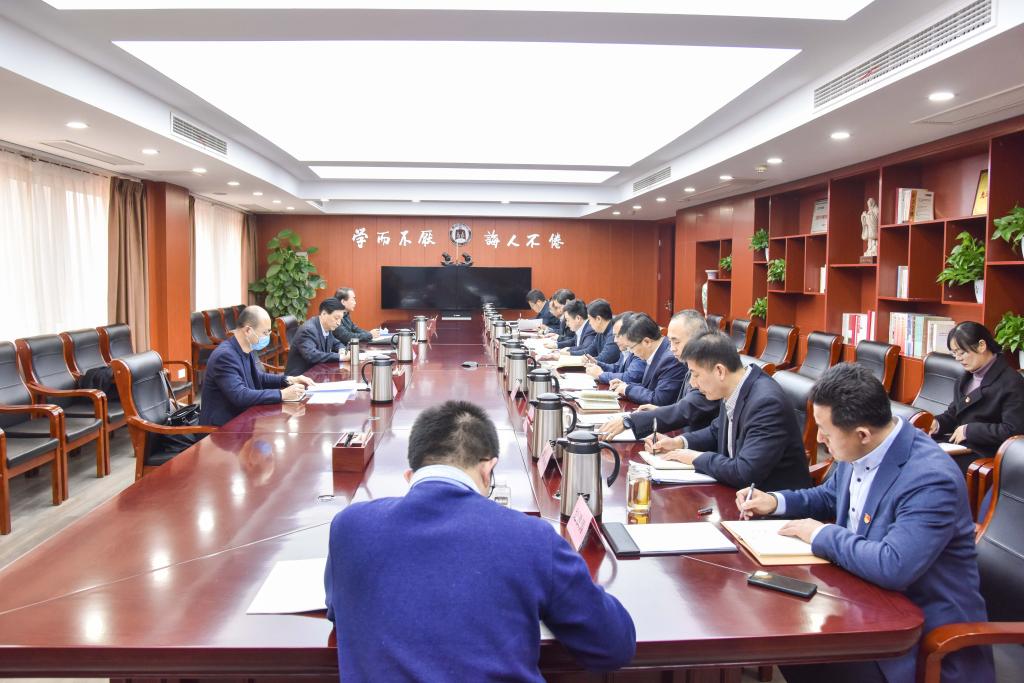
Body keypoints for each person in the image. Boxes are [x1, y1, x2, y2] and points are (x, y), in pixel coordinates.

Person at [324, 400, 636, 681]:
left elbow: (338, 611)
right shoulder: (531, 537)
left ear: (410, 476)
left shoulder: (349, 527)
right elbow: (613, 646)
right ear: (489, 470)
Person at [739, 363, 993, 683]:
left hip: (915, 642)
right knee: (780, 628)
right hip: (862, 603)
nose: (819, 439)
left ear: (862, 434)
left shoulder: (930, 478)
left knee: (794, 644)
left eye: (825, 431)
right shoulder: (863, 447)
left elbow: (893, 565)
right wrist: (776, 502)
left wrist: (822, 533)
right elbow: (830, 496)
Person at [648, 330, 811, 491]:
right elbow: (715, 431)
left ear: (719, 371)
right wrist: (678, 442)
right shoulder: (735, 386)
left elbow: (746, 472)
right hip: (738, 493)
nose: (693, 384)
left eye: (696, 375)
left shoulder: (766, 403)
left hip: (770, 499)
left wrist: (695, 457)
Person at [599, 310, 718, 440]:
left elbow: (686, 409)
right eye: (670, 341)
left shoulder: (710, 370)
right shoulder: (690, 363)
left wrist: (630, 420)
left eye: (676, 342)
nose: (672, 348)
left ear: (698, 340)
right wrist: (658, 410)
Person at [199, 306, 314, 427]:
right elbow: (240, 396)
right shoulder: (224, 356)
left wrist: (289, 379)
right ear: (248, 330)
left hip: (242, 420)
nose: (268, 336)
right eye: (265, 332)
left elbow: (257, 377)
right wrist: (282, 394)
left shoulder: (245, 348)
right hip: (220, 430)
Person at [929, 321, 1024, 460]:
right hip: (959, 447)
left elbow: (1013, 431)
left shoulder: (1011, 381)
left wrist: (969, 431)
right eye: (954, 353)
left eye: (962, 352)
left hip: (987, 454)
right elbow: (955, 413)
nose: (958, 358)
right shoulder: (964, 379)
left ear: (981, 345)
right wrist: (936, 424)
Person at [608, 313, 686, 406]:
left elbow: (659, 400)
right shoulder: (656, 352)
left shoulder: (671, 359)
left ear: (647, 342)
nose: (631, 352)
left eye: (631, 347)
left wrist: (627, 389)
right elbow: (648, 387)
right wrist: (625, 385)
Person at [283, 297, 346, 376]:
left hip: (318, 373)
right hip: (301, 377)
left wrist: (342, 350)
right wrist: (341, 357)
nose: (338, 323)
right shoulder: (308, 330)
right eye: (336, 318)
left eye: (340, 319)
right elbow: (312, 355)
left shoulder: (327, 326)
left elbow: (336, 343)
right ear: (324, 314)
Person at [585, 312, 645, 385]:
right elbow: (617, 368)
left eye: (618, 336)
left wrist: (601, 375)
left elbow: (630, 377)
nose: (615, 340)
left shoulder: (639, 351)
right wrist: (597, 363)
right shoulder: (625, 350)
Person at [573, 298, 619, 363]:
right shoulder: (600, 332)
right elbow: (590, 350)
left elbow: (604, 359)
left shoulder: (614, 333)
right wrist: (569, 353)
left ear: (598, 319)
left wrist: (587, 360)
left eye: (590, 319)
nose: (589, 323)